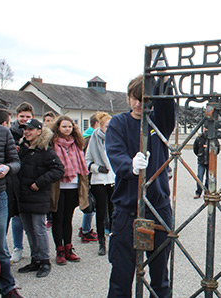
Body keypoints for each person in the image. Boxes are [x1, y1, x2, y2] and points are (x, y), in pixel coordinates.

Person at [106, 75, 175, 297]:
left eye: (144, 99)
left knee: (160, 275)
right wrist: (130, 165)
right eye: (135, 98)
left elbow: (167, 105)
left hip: (159, 206)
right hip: (127, 208)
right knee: (121, 275)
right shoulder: (118, 123)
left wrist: (163, 80)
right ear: (128, 98)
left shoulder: (159, 122)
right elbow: (115, 152)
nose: (138, 104)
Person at [15, 119, 64, 278]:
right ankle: (35, 259)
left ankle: (44, 261)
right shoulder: (22, 149)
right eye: (25, 129)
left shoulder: (46, 151)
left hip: (38, 197)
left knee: (39, 229)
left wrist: (39, 183)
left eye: (30, 129)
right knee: (29, 230)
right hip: (23, 197)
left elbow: (58, 170)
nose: (27, 132)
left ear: (38, 131)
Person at [50, 115, 90, 265]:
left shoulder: (77, 143)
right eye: (64, 126)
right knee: (57, 219)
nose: (67, 129)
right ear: (58, 128)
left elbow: (81, 165)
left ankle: (68, 248)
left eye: (69, 126)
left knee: (68, 219)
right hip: (58, 187)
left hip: (73, 185)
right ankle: (59, 250)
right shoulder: (52, 143)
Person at [0, 118, 23, 297]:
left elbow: (15, 162)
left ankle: (7, 289)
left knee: (0, 247)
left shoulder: (2, 132)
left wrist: (7, 168)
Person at [84, 112, 115, 256]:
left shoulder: (115, 138)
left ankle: (115, 238)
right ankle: (101, 242)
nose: (110, 129)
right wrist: (97, 168)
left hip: (113, 178)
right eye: (107, 126)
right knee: (101, 211)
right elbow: (87, 160)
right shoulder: (94, 139)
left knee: (114, 209)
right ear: (101, 126)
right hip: (99, 179)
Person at [8, 102, 34, 264]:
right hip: (15, 179)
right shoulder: (10, 133)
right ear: (17, 117)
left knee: (35, 219)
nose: (25, 119)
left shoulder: (37, 133)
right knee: (17, 217)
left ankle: (36, 249)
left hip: (32, 178)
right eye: (22, 116)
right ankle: (18, 248)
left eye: (28, 117)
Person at [78, 113, 100, 243]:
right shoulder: (90, 138)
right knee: (90, 204)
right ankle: (85, 230)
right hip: (90, 176)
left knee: (91, 204)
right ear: (96, 124)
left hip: (90, 175)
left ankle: (86, 228)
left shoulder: (86, 137)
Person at [193, 127, 220, 199]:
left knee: (209, 178)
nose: (206, 130)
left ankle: (207, 191)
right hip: (201, 161)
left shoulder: (213, 139)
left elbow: (217, 149)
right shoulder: (199, 138)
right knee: (199, 177)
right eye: (205, 128)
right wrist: (200, 155)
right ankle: (198, 192)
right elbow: (195, 148)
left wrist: (212, 157)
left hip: (210, 161)